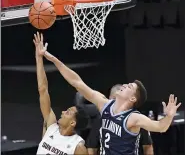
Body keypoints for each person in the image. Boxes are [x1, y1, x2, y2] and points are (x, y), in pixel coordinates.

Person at [37, 32, 181, 155]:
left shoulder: (133, 118)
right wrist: (52, 58)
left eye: (129, 86)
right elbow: (77, 82)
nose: (124, 85)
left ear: (132, 98)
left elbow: (160, 127)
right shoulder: (104, 105)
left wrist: (169, 116)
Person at [33, 32, 89, 155]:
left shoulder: (78, 147)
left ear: (73, 123)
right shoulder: (51, 126)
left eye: (68, 112)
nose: (63, 112)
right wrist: (39, 58)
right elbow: (43, 90)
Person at [75, 84, 154, 155]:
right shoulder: (101, 117)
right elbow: (92, 146)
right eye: (113, 99)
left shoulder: (135, 119)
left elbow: (148, 146)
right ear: (109, 99)